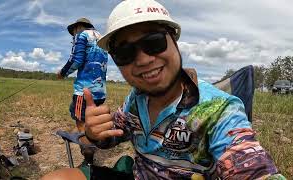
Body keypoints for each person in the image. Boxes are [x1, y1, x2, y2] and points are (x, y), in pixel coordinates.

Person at [43, 0, 286, 179]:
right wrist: (96, 134)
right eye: (125, 52)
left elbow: (251, 166)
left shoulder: (219, 110)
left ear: (174, 40)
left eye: (154, 42)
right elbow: (112, 136)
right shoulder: (135, 100)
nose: (143, 60)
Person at [57, 17, 108, 165]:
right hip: (100, 90)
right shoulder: (100, 38)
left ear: (78, 27)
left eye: (73, 31)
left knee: (82, 124)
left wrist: (62, 73)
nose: (73, 35)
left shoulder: (82, 35)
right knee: (93, 122)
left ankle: (88, 158)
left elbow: (76, 60)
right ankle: (93, 145)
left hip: (84, 91)